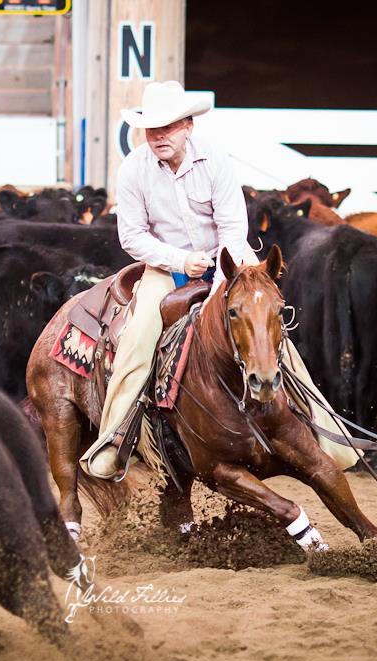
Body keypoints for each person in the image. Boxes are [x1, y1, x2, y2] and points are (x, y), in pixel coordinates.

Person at [79, 80, 257, 479]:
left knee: (264, 316)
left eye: (169, 127)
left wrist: (220, 281)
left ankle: (317, 424)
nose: (159, 135)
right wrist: (181, 260)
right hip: (165, 267)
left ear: (188, 126)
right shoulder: (134, 169)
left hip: (226, 259)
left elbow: (233, 228)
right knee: (139, 335)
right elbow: (132, 237)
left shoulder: (216, 160)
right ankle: (115, 436)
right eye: (152, 129)